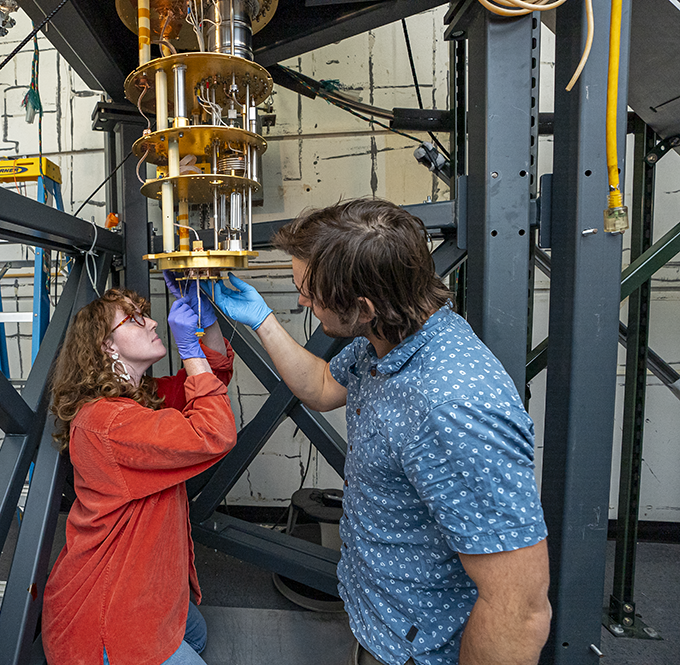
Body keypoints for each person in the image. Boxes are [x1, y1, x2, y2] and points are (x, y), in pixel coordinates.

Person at [209, 198, 551, 665]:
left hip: (422, 650)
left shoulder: (454, 408)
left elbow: (519, 610)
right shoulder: (388, 339)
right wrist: (262, 319)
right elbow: (324, 386)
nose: (303, 302)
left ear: (363, 307)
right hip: (385, 622)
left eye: (309, 294)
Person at [42, 279, 237, 665]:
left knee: (196, 636)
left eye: (144, 315)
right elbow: (214, 432)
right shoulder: (110, 421)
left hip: (144, 584)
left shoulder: (141, 399)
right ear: (106, 346)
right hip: (104, 610)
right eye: (134, 320)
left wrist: (206, 319)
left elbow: (210, 379)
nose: (152, 323)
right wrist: (188, 349)